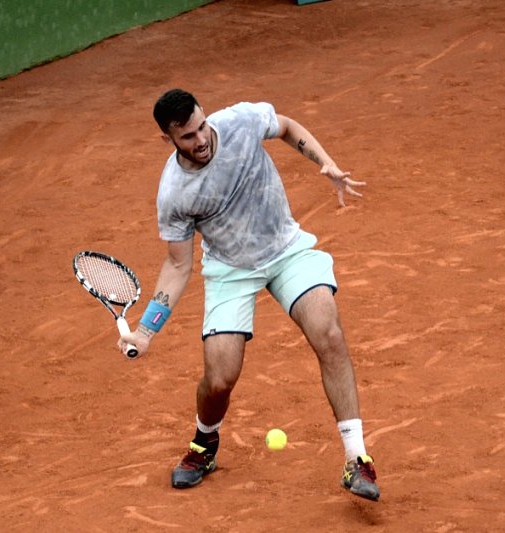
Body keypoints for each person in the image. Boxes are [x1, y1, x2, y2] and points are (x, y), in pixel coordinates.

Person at [119, 88, 380, 501]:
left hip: (285, 248)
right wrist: (147, 331)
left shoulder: (240, 121)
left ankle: (357, 459)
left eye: (201, 126)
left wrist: (325, 162)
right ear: (167, 139)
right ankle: (204, 444)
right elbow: (178, 264)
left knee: (328, 333)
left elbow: (287, 126)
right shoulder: (174, 193)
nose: (201, 139)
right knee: (220, 379)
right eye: (187, 136)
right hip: (230, 269)